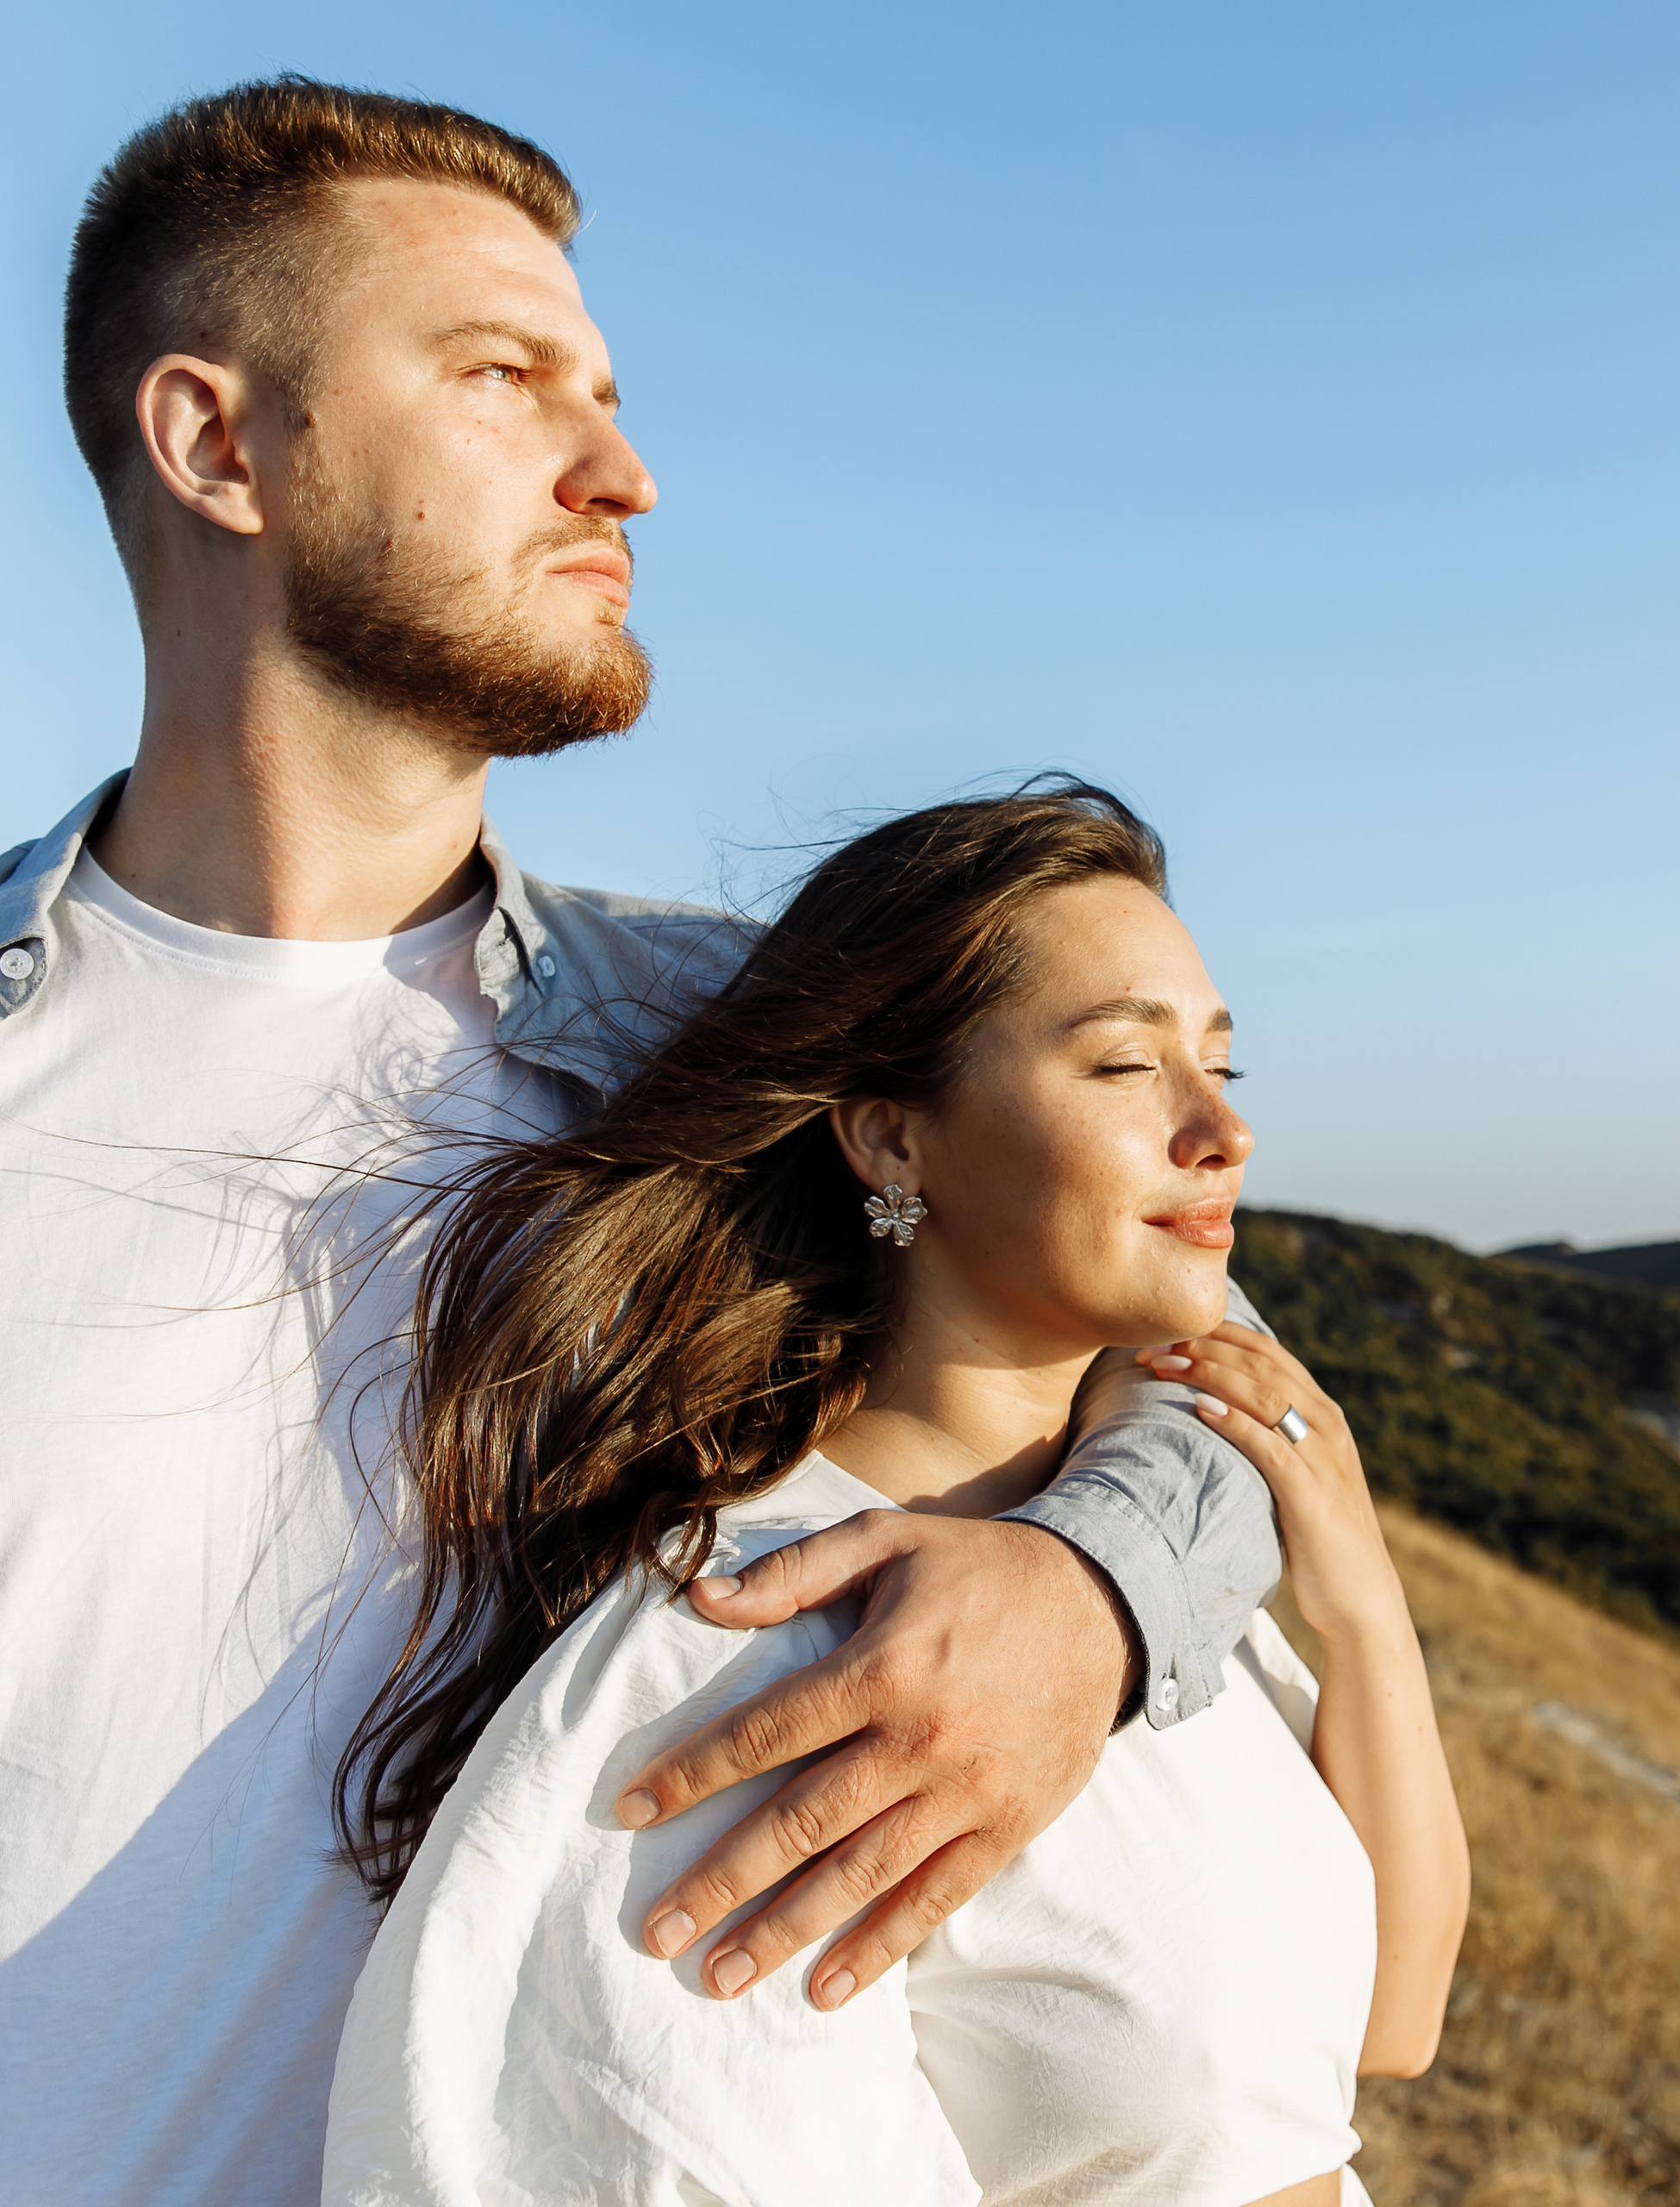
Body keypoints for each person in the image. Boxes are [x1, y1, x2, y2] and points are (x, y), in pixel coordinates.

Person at [0, 80, 1282, 2207]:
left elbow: (1206, 1359)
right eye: (503, 379)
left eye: (602, 390)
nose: (625, 471)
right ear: (217, 445)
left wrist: (1096, 1586)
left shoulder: (735, 1048)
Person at [322, 784, 1470, 2206]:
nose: (1221, 1129)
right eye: (1124, 1066)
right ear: (892, 1142)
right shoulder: (745, 1644)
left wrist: (1359, 1607)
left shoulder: (1143, 1574)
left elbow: (1386, 2025)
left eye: (1224, 1065)